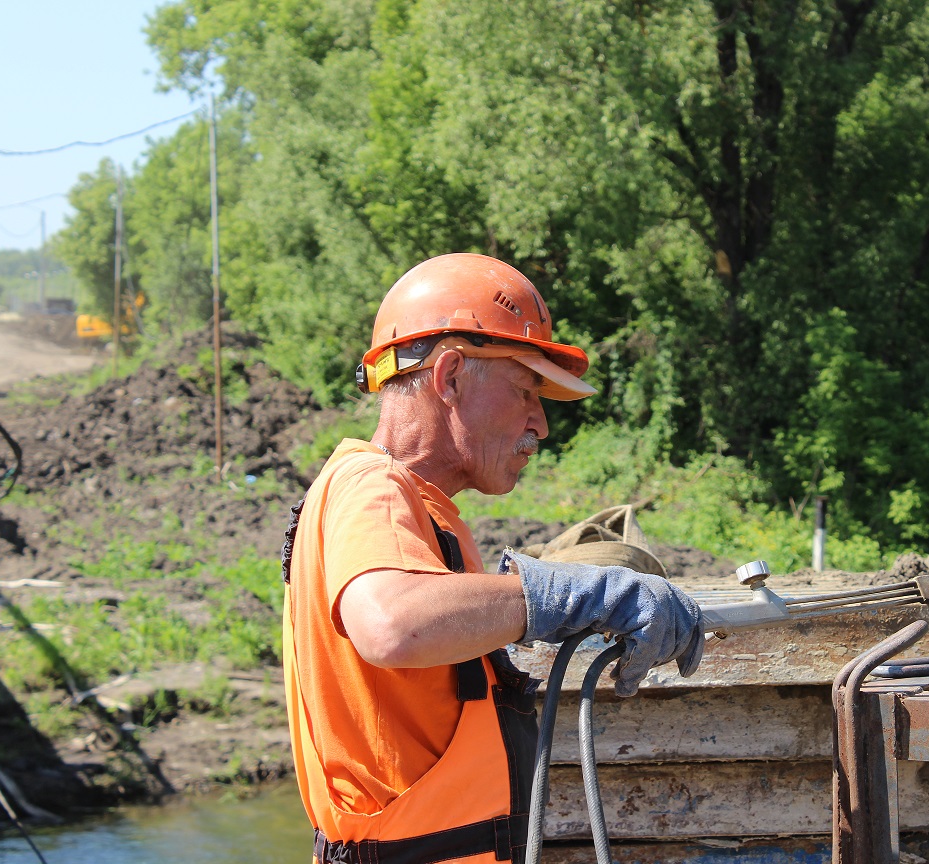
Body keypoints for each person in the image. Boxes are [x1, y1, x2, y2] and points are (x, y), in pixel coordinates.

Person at [281, 253, 705, 864]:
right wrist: (580, 595)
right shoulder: (372, 487)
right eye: (526, 389)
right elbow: (393, 623)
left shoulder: (422, 507)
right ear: (449, 376)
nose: (541, 423)